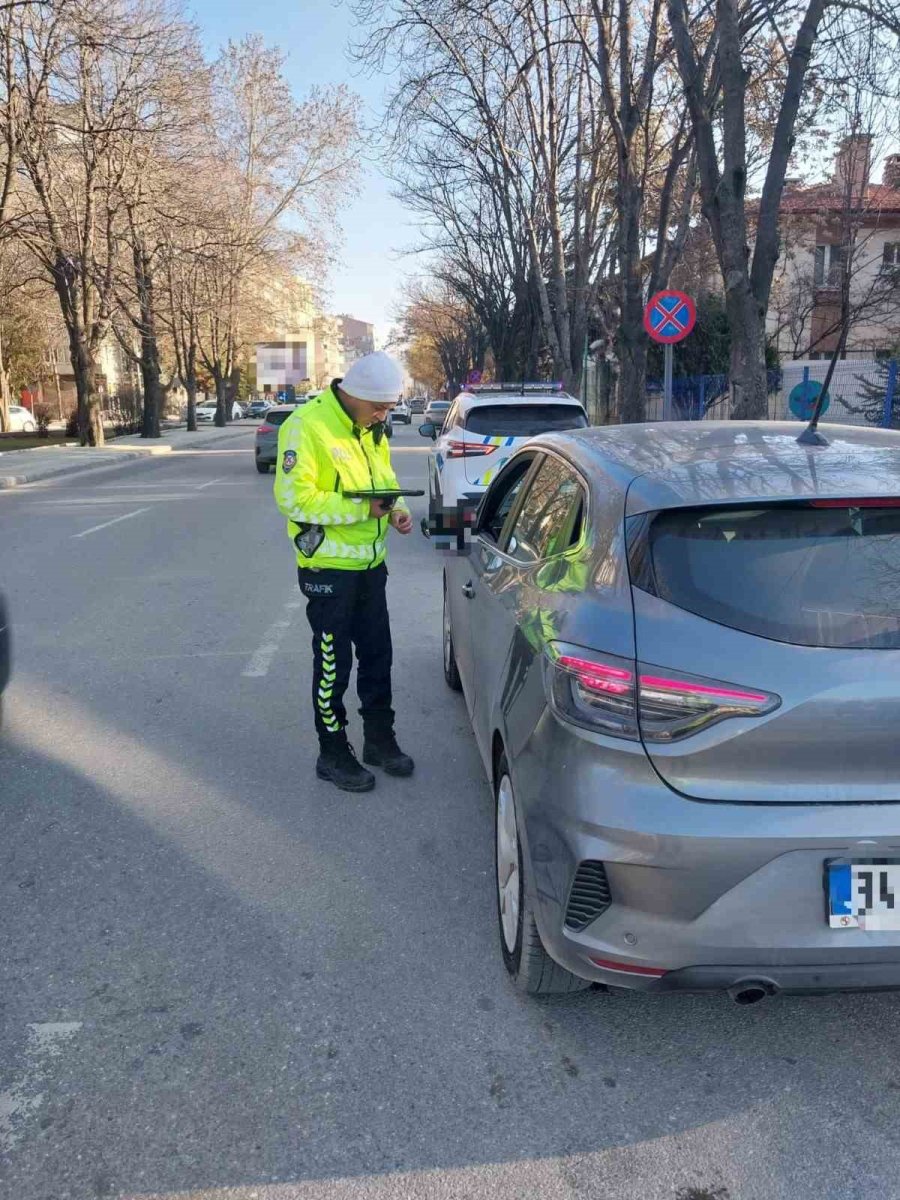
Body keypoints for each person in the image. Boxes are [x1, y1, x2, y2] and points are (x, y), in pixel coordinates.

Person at [273, 351, 414, 793]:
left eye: (388, 408)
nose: (383, 415)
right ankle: (332, 752)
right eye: (379, 407)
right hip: (328, 569)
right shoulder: (306, 425)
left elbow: (383, 479)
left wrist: (397, 509)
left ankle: (379, 740)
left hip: (370, 564)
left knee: (378, 655)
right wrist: (362, 510)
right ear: (354, 394)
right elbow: (294, 500)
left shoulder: (371, 427)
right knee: (335, 664)